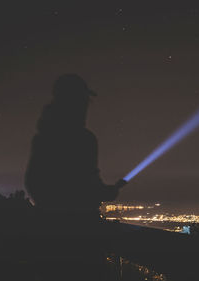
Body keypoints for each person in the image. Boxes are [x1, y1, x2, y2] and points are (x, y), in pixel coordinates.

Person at [24, 74, 126, 280]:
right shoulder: (84, 140)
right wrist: (110, 192)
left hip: (47, 238)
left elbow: (32, 183)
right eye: (83, 101)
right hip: (80, 239)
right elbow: (90, 186)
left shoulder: (43, 138)